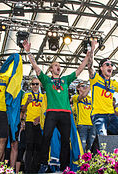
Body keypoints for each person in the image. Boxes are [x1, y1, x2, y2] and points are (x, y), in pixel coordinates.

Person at [22, 40, 91, 172]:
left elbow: (80, 69)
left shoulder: (66, 79)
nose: (58, 67)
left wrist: (88, 55)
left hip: (65, 114)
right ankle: (43, 163)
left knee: (66, 140)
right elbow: (36, 67)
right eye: (55, 65)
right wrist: (28, 52)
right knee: (46, 137)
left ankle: (63, 167)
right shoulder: (47, 80)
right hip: (52, 113)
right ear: (51, 69)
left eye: (59, 65)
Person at [21, 78, 45, 173]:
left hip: (40, 122)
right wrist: (27, 102)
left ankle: (35, 169)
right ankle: (27, 169)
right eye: (33, 84)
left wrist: (39, 119)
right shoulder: (27, 95)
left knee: (38, 147)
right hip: (29, 122)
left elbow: (45, 110)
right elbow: (22, 109)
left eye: (37, 84)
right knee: (29, 146)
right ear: (31, 85)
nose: (35, 86)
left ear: (40, 85)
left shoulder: (43, 97)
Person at [72, 83, 95, 152]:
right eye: (82, 86)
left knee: (91, 145)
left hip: (92, 124)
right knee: (82, 145)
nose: (85, 87)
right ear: (78, 88)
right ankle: (82, 161)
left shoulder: (90, 99)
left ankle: (90, 161)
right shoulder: (75, 97)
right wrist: (91, 85)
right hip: (81, 124)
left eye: (85, 86)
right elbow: (83, 95)